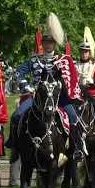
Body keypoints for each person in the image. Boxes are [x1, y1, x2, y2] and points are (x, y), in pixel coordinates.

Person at [14, 16, 87, 160]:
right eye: (46, 43)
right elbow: (18, 72)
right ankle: (15, 147)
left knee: (74, 117)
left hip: (59, 99)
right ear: (42, 44)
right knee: (17, 115)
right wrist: (26, 86)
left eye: (51, 43)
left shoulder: (63, 60)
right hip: (37, 98)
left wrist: (63, 87)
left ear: (54, 44)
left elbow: (70, 80)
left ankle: (77, 148)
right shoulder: (34, 59)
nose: (48, 45)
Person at [75, 29, 95, 99]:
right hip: (78, 93)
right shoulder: (75, 65)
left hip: (92, 93)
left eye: (86, 52)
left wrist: (93, 82)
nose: (84, 54)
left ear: (89, 53)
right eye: (82, 52)